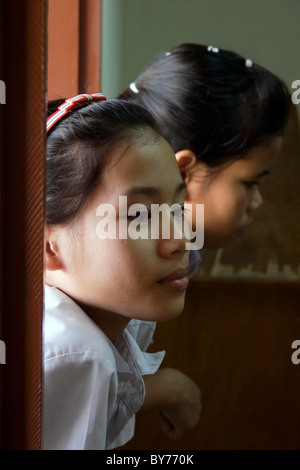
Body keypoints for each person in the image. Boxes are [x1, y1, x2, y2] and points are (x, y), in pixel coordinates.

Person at [43, 93, 201, 450]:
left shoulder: (110, 322)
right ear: (48, 245)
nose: (180, 240)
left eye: (177, 209)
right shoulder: (77, 353)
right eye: (140, 216)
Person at [118, 43, 291, 261]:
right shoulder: (128, 272)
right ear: (182, 174)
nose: (257, 202)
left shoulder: (178, 259)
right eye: (250, 183)